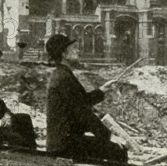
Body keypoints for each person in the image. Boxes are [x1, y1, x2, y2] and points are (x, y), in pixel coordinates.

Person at [45, 34, 128, 163]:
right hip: (65, 146)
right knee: (118, 150)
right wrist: (109, 136)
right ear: (64, 54)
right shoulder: (64, 78)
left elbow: (81, 101)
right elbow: (83, 114)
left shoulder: (61, 74)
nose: (77, 50)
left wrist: (102, 90)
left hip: (63, 141)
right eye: (73, 48)